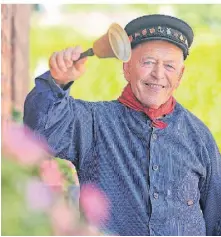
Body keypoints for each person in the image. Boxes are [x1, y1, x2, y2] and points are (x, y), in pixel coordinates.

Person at [23, 14, 221, 236]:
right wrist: (58, 81)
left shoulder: (199, 138)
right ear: (126, 67)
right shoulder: (94, 122)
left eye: (169, 66)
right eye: (148, 62)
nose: (158, 74)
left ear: (180, 75)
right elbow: (39, 130)